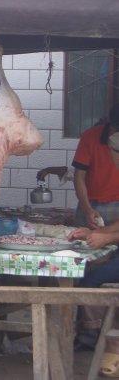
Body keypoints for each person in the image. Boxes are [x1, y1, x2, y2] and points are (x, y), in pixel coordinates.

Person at [69, 131, 119, 364]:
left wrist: (106, 239)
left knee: (91, 279)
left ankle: (90, 335)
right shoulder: (90, 137)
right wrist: (96, 233)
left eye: (113, 154)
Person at [72, 104, 119, 229]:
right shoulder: (90, 136)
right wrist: (87, 209)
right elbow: (79, 177)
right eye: (116, 129)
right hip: (91, 204)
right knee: (83, 245)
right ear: (110, 123)